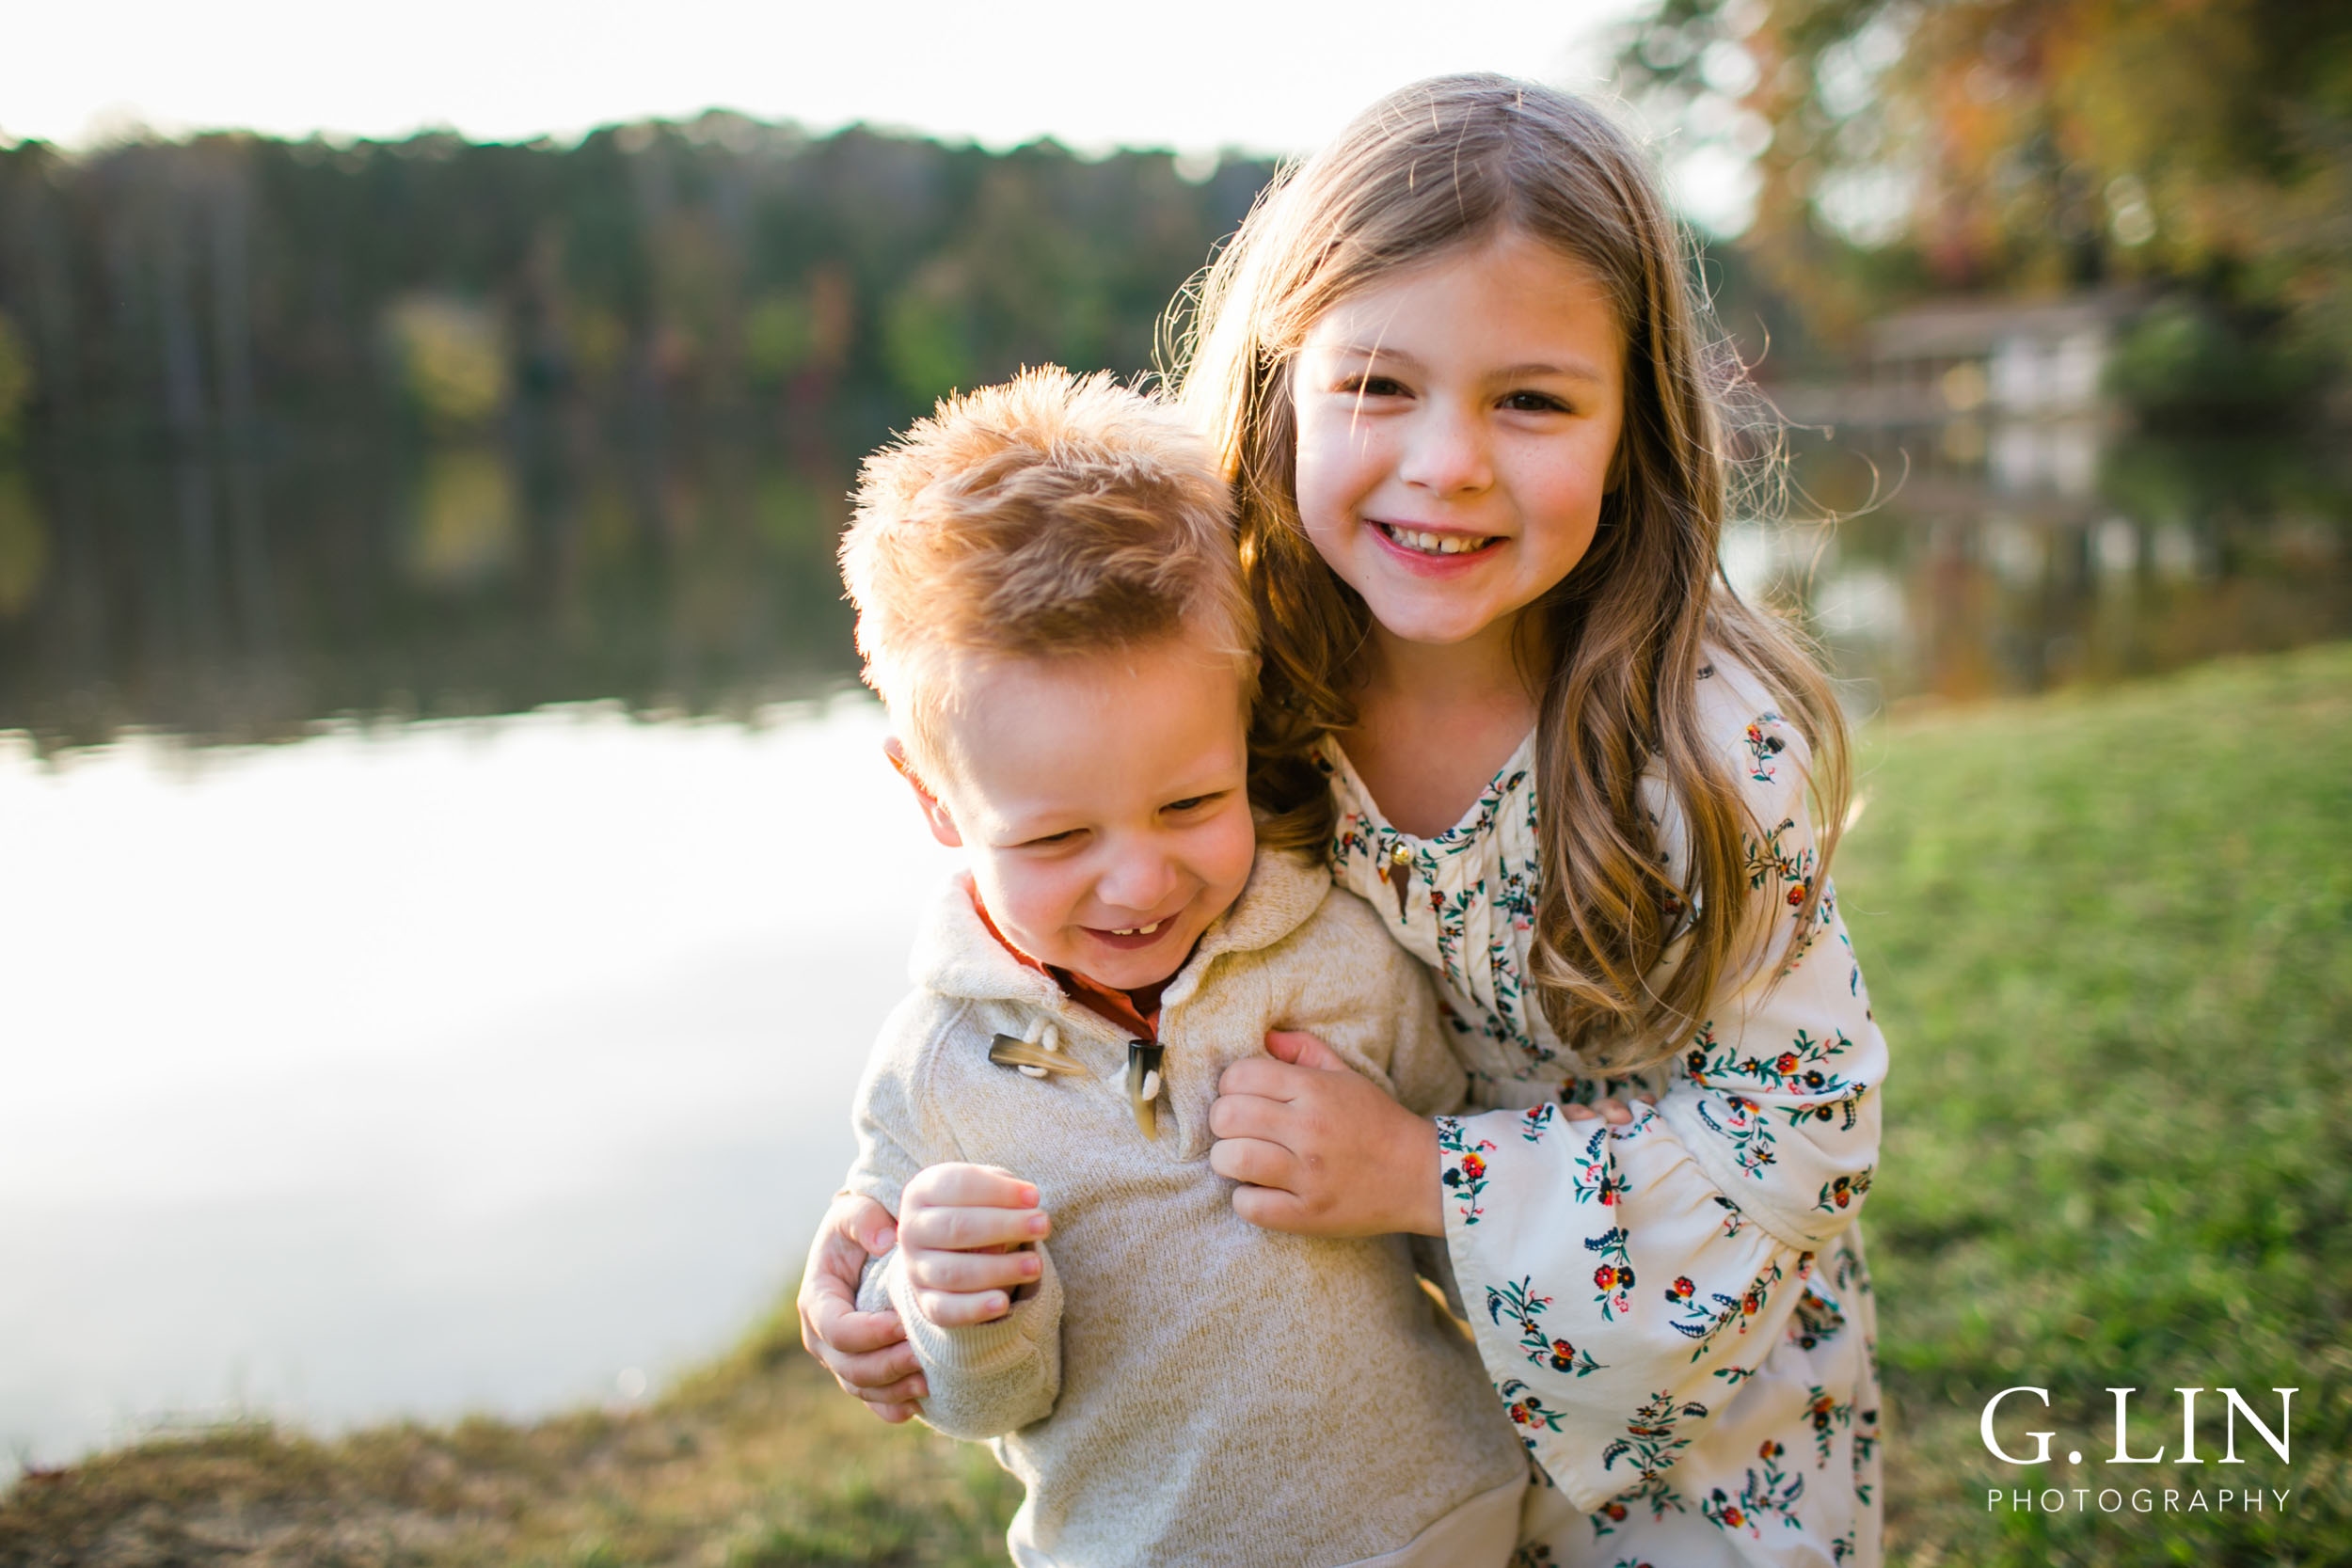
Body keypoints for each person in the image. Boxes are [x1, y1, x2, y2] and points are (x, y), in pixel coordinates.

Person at [805, 76, 1888, 1566]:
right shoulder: (1247, 676)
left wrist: (1418, 1173)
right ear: (1281, 383)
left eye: (1531, 397)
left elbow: (1805, 1128)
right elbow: (1036, 895)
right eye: (1380, 384)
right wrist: (879, 1240)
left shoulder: (1693, 747)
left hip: (1700, 1411)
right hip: (1394, 1431)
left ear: (1634, 414)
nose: (1447, 460)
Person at [831, 365, 1531, 1567]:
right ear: (933, 798)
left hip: (1435, 1526)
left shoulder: (1342, 954)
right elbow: (979, 1404)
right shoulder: (934, 1077)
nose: (1141, 882)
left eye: (1191, 801)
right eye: (1056, 838)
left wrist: (1414, 1170)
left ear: (1242, 726)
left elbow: (1476, 1226)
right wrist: (948, 1309)